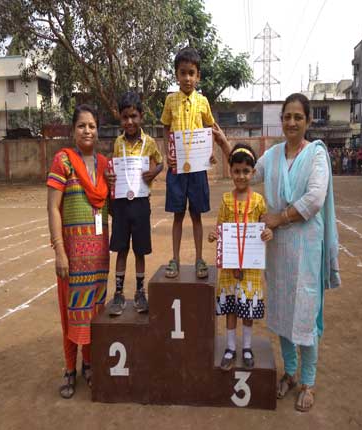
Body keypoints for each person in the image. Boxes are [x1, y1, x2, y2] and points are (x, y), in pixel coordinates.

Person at [213, 93, 340, 412]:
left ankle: (308, 381)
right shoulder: (271, 156)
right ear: (281, 120)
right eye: (287, 116)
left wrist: (279, 218)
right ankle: (291, 374)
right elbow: (245, 171)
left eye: (298, 117)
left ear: (308, 121)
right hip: (277, 247)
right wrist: (223, 142)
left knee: (306, 312)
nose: (292, 122)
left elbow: (314, 199)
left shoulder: (316, 155)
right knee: (283, 311)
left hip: (306, 246)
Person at [47, 104, 110, 399]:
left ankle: (89, 365)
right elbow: (52, 208)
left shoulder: (104, 165)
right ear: (73, 130)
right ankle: (70, 369)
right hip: (72, 257)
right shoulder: (63, 161)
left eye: (92, 126)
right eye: (82, 125)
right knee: (71, 313)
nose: (88, 131)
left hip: (98, 258)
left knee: (94, 312)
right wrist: (59, 250)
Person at [208, 143, 272, 371]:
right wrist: (214, 234)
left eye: (246, 171)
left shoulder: (258, 201)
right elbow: (220, 227)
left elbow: (265, 225)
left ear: (253, 173)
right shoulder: (226, 200)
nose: (241, 176)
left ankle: (246, 346)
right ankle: (230, 347)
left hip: (251, 267)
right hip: (229, 264)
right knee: (232, 308)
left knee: (247, 308)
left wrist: (268, 232)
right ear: (231, 170)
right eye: (237, 171)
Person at [160, 46, 215, 279]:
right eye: (183, 73)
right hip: (176, 168)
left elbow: (210, 127)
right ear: (176, 74)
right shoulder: (170, 100)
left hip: (197, 169)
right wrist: (167, 153)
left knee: (197, 215)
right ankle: (175, 259)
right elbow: (165, 127)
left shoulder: (203, 102)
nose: (187, 78)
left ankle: (200, 259)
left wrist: (209, 151)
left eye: (192, 73)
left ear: (198, 75)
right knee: (177, 215)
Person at [108, 91, 163, 316]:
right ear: (120, 119)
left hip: (141, 204)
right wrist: (110, 176)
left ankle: (140, 292)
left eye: (133, 116)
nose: (129, 121)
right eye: (125, 117)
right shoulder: (117, 143)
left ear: (141, 116)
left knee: (139, 250)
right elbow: (113, 170)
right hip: (121, 204)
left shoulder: (149, 143)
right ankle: (118, 293)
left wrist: (153, 172)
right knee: (121, 250)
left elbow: (160, 163)